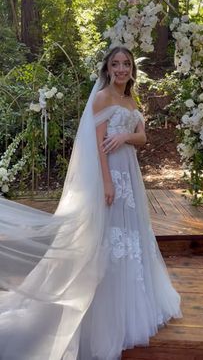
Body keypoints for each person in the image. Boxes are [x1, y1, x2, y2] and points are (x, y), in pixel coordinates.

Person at [0, 46, 182, 360]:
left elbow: (142, 138)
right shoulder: (102, 98)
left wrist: (125, 137)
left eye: (126, 64)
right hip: (110, 177)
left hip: (131, 176)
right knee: (109, 238)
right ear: (108, 69)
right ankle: (100, 311)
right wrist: (107, 182)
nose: (122, 69)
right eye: (116, 64)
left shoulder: (130, 99)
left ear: (131, 70)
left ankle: (133, 306)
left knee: (132, 236)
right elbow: (96, 145)